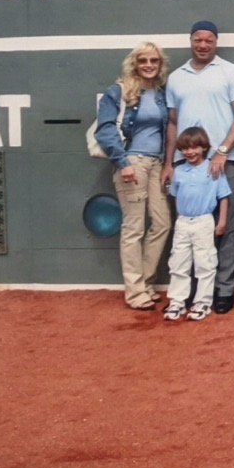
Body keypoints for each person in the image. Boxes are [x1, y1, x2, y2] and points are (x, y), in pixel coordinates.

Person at [162, 21, 234, 314]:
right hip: (187, 165)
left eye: (209, 40)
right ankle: (188, 294)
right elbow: (173, 123)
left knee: (223, 228)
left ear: (216, 42)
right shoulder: (176, 77)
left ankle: (223, 291)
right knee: (187, 229)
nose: (203, 45)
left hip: (223, 162)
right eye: (198, 40)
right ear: (191, 41)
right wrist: (169, 162)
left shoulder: (231, 71)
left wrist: (222, 150)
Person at [94, 42, 172, 311]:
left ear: (160, 64)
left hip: (155, 164)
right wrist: (122, 161)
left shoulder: (161, 94)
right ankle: (135, 291)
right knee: (134, 228)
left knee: (162, 223)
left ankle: (147, 282)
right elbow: (104, 130)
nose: (149, 65)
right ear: (135, 63)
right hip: (132, 163)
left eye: (154, 60)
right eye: (143, 60)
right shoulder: (118, 91)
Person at [163, 127, 232, 322]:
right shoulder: (178, 171)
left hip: (204, 221)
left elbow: (223, 197)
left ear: (204, 148)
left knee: (205, 263)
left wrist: (222, 221)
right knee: (178, 263)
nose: (190, 152)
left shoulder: (213, 168)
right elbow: (176, 197)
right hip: (183, 222)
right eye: (185, 149)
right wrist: (179, 219)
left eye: (195, 148)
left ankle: (203, 302)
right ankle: (177, 301)